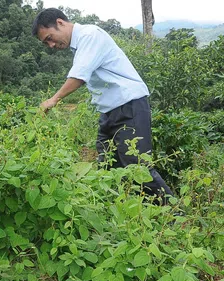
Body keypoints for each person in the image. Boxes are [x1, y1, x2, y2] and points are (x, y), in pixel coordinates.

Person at [32, 8, 173, 203]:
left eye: (50, 37)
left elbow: (79, 76)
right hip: (109, 112)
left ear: (60, 23)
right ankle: (122, 217)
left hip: (129, 106)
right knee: (108, 167)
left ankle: (175, 216)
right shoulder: (80, 45)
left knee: (138, 168)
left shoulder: (90, 35)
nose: (51, 45)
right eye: (46, 42)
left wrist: (53, 99)